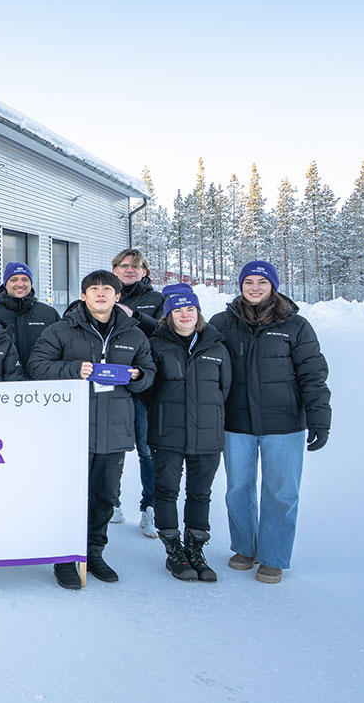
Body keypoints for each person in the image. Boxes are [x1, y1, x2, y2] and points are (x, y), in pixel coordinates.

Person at [27, 269, 156, 590]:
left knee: (105, 496)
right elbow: (37, 365)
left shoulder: (134, 334)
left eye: (107, 289)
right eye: (94, 289)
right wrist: (73, 369)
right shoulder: (61, 330)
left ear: (117, 296)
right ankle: (65, 558)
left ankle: (94, 553)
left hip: (114, 428)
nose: (101, 293)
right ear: (83, 295)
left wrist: (138, 376)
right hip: (71, 429)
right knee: (69, 496)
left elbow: (149, 374)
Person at [209, 260, 331, 585]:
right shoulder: (222, 323)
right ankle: (245, 548)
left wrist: (319, 417)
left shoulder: (295, 325)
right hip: (237, 422)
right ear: (240, 285)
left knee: (281, 492)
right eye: (248, 281)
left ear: (273, 286)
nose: (255, 288)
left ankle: (273, 557)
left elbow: (313, 373)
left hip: (284, 423)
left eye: (262, 282)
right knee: (238, 489)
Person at [144, 284, 231, 582]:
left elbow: (224, 390)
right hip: (167, 432)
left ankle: (195, 550)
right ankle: (174, 552)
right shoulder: (156, 346)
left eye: (190, 309)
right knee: (166, 491)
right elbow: (147, 391)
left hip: (207, 435)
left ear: (198, 313)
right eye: (178, 310)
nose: (185, 315)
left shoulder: (216, 347)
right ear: (168, 316)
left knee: (200, 494)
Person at [108, 248, 166, 532]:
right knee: (110, 448)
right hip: (111, 385)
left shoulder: (157, 299)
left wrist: (136, 315)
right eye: (124, 265)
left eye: (136, 266)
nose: (129, 270)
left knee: (147, 450)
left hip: (144, 385)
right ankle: (112, 503)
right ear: (115, 270)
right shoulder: (106, 293)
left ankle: (149, 508)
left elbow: (166, 331)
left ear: (144, 271)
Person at [0, 261, 60, 370]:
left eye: (25, 279)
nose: (20, 284)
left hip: (41, 377)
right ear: (5, 284)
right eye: (14, 279)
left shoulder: (49, 314)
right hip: (2, 377)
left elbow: (61, 348)